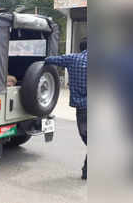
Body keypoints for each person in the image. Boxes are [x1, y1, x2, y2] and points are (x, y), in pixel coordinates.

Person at [45, 38, 87, 180]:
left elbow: (50, 60)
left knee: (86, 135)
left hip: (82, 107)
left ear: (80, 48)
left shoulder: (72, 58)